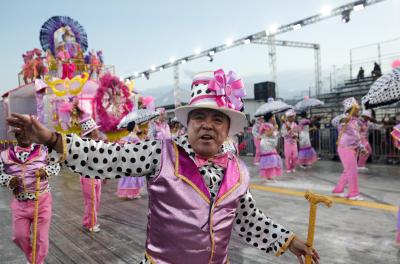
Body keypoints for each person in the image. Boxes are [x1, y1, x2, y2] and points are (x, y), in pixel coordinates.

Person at [7, 69, 319, 264]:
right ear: (189, 123)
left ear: (227, 129)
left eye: (217, 119)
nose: (207, 126)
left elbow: (247, 218)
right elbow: (104, 158)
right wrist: (49, 138)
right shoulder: (161, 153)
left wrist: (289, 241)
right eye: (199, 117)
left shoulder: (239, 171)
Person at [0, 130, 60, 264]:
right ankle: (33, 258)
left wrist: (46, 171)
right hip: (20, 204)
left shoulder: (43, 151)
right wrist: (8, 180)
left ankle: (37, 261)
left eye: (27, 131)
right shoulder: (5, 155)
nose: (24, 135)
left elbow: (56, 166)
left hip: (42, 201)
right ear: (15, 135)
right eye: (20, 133)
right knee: (19, 236)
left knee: (41, 239)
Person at [332, 97, 368, 201]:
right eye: (357, 108)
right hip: (345, 148)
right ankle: (353, 194)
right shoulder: (344, 118)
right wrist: (343, 119)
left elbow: (357, 137)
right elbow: (334, 121)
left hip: (354, 148)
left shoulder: (355, 122)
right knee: (352, 171)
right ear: (351, 108)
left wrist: (361, 148)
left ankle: (339, 190)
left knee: (347, 171)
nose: (359, 110)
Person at [79, 116, 105, 232]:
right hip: (88, 176)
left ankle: (88, 221)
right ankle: (91, 224)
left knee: (96, 200)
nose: (98, 132)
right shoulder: (84, 145)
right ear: (91, 132)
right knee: (92, 201)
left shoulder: (96, 143)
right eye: (96, 130)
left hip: (97, 176)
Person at [116, 121, 145, 200]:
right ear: (134, 127)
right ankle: (133, 193)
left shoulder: (130, 135)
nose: (137, 126)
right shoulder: (134, 136)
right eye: (136, 125)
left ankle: (131, 193)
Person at [259, 113, 282, 181]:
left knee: (273, 159)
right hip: (266, 144)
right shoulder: (265, 125)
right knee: (270, 159)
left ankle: (270, 176)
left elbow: (274, 134)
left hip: (270, 144)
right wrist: (274, 128)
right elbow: (267, 134)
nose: (274, 118)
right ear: (270, 118)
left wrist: (275, 128)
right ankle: (268, 176)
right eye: (273, 117)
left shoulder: (271, 125)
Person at [281, 109, 299, 173]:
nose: (293, 118)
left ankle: (293, 167)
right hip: (287, 143)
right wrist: (288, 132)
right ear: (288, 118)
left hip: (294, 143)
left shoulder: (295, 124)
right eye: (291, 117)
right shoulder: (284, 125)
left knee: (295, 156)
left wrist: (295, 135)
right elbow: (283, 134)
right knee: (288, 156)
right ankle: (288, 168)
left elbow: (296, 132)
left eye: (293, 116)